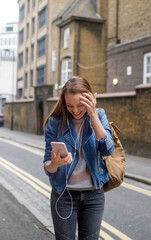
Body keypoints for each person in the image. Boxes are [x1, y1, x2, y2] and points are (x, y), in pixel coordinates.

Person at [43, 76, 115, 240]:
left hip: (93, 196)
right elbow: (47, 167)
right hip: (63, 195)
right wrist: (54, 163)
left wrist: (93, 115)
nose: (75, 110)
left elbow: (108, 149)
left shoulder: (99, 116)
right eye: (69, 105)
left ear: (90, 99)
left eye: (80, 105)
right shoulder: (55, 123)